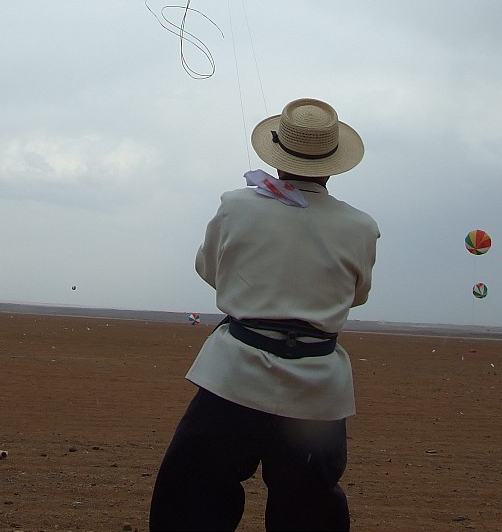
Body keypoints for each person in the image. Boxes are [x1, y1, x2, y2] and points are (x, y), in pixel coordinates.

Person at [149, 97, 380, 532]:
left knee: (192, 495)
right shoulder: (361, 226)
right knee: (310, 508)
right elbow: (357, 295)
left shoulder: (236, 205)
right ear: (332, 162)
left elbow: (210, 271)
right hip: (316, 388)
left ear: (277, 156)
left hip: (234, 376)